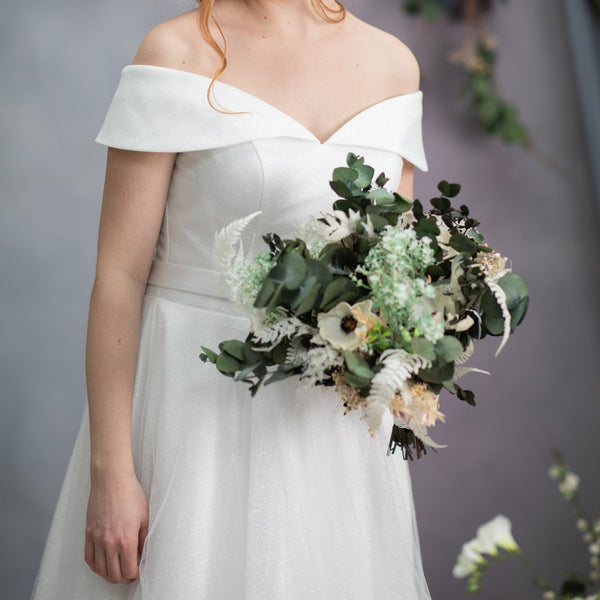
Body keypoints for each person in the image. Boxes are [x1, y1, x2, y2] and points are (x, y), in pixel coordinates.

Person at [31, 1, 432, 598]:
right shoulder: (177, 51)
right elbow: (118, 275)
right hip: (193, 421)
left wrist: (407, 366)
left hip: (331, 432)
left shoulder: (393, 64)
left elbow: (391, 270)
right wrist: (111, 471)